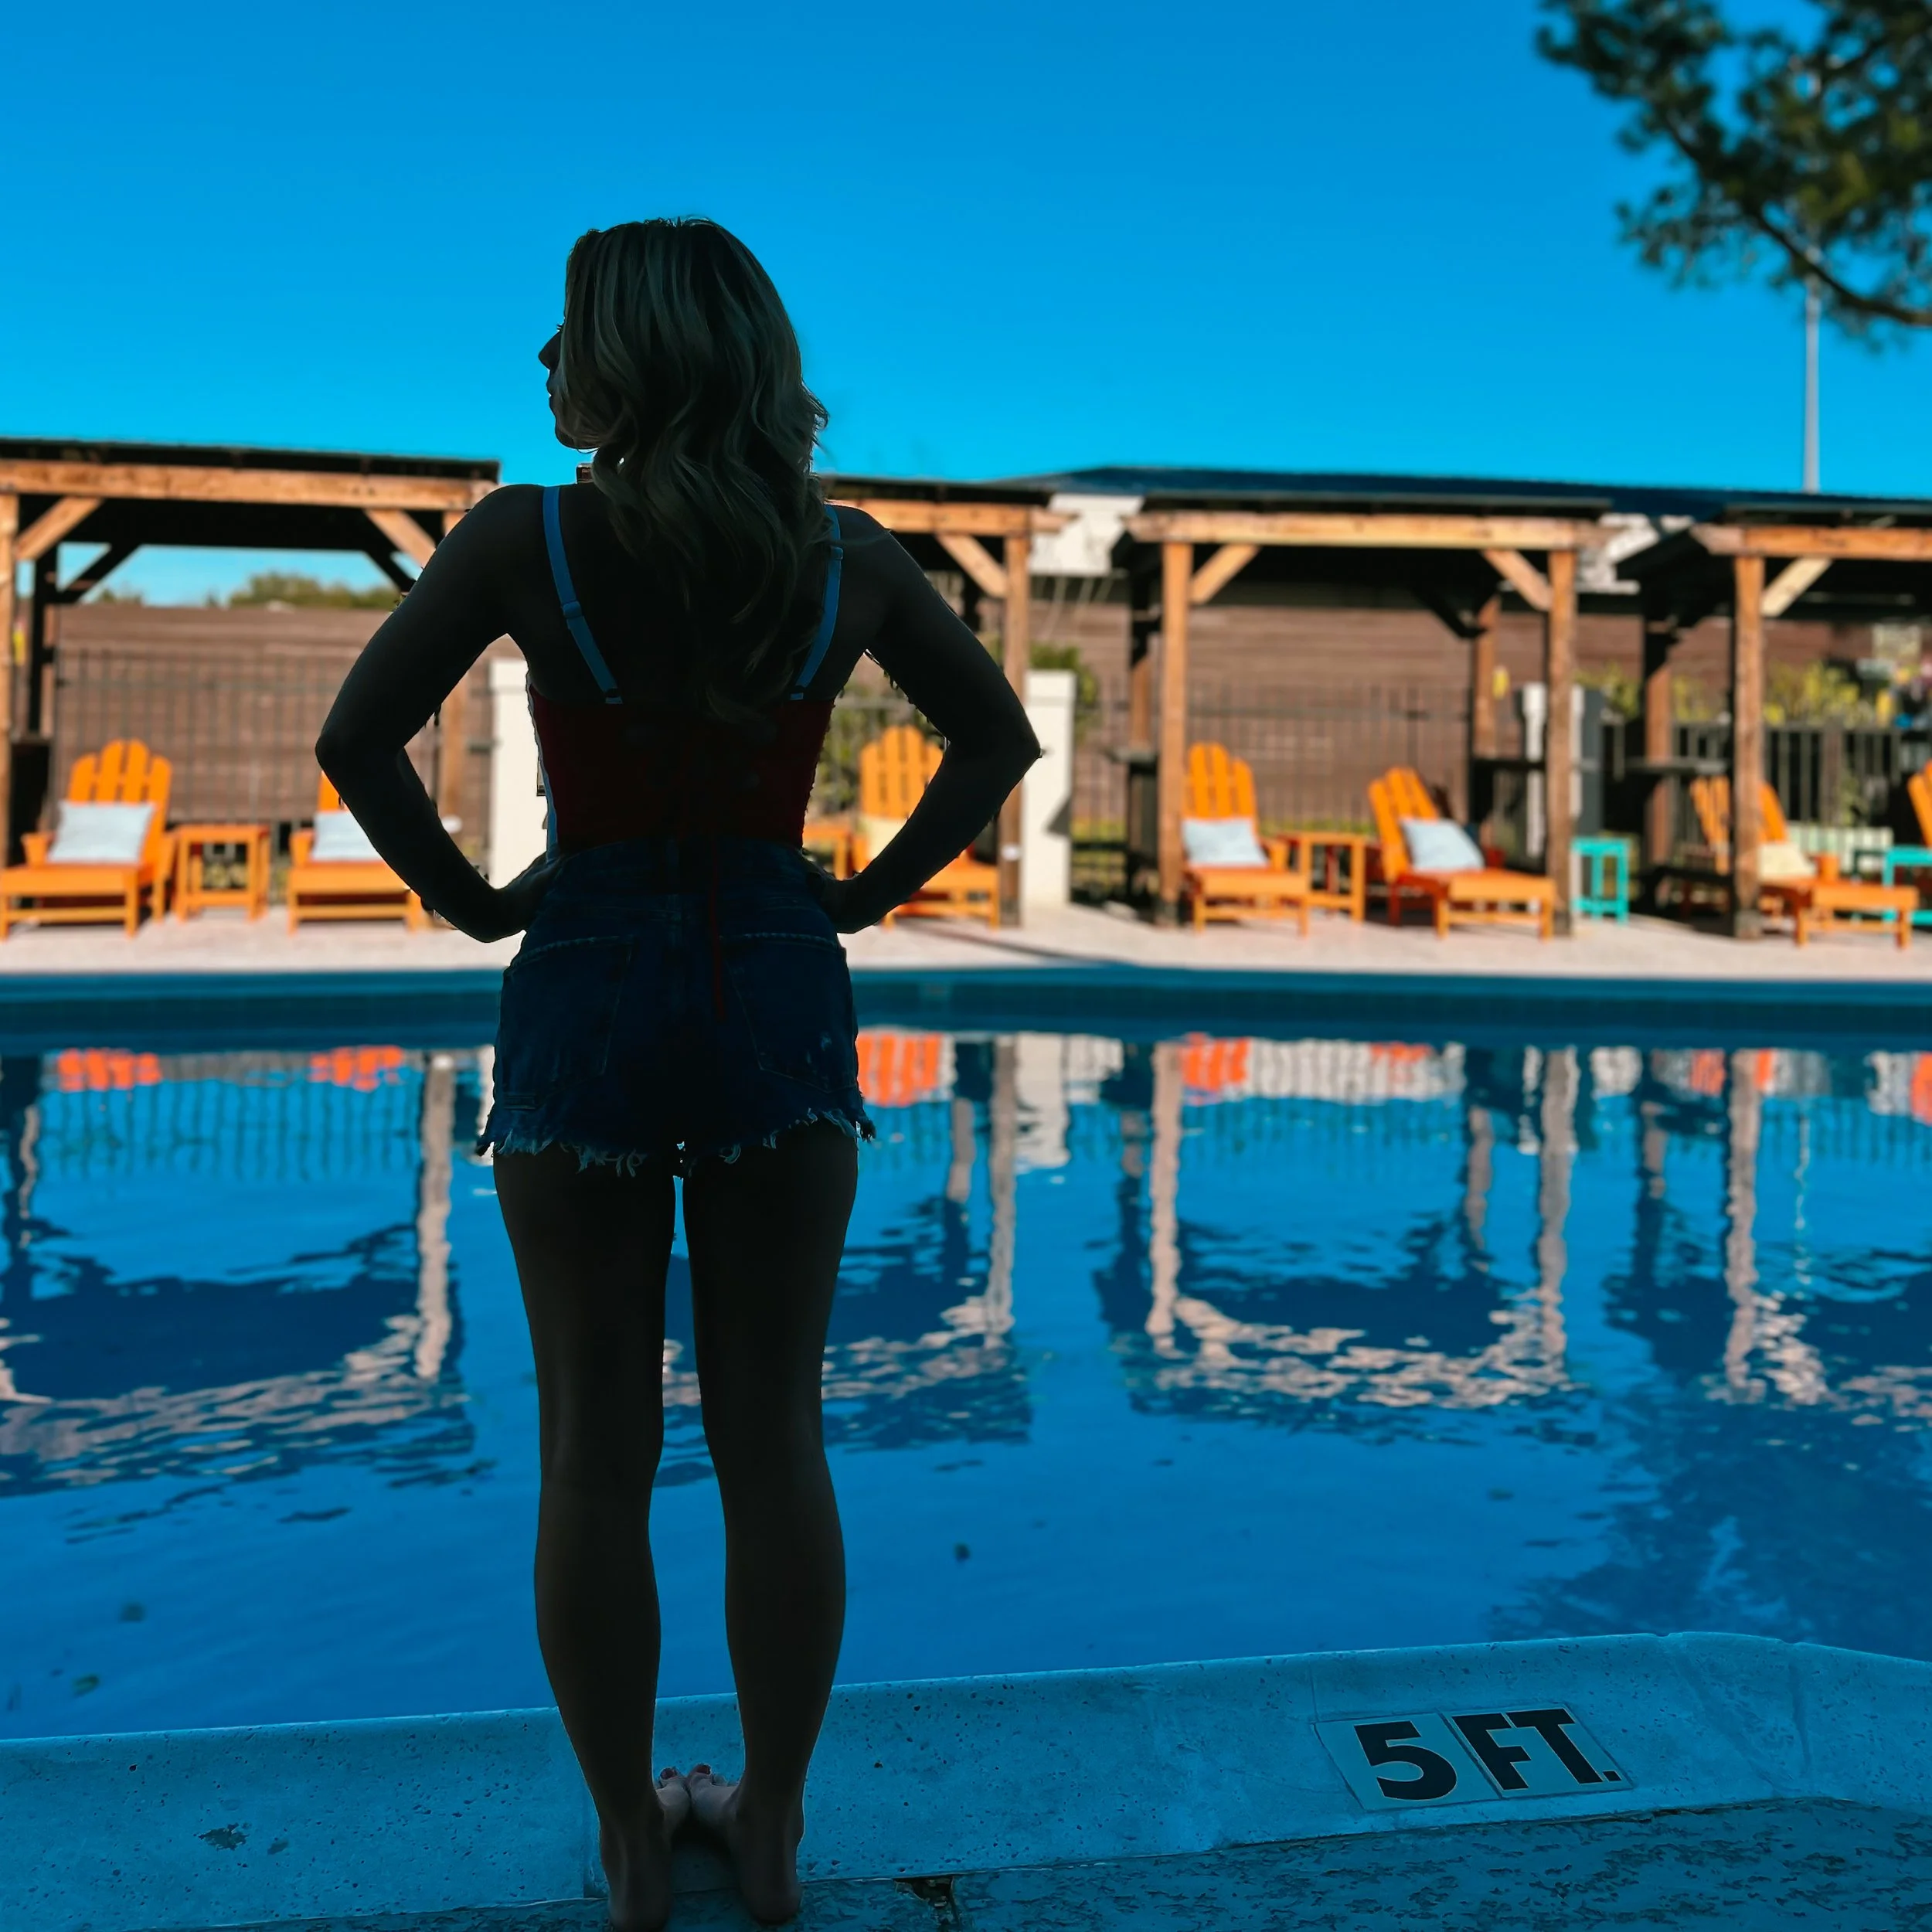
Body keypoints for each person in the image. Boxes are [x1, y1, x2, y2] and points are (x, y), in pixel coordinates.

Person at [316, 217, 1039, 1928]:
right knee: (774, 1434)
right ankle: (769, 1821)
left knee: (593, 1447)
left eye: (562, 326)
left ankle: (634, 1842)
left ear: (627, 354)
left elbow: (357, 738)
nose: (540, 357)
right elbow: (994, 738)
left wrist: (477, 898)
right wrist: (861, 889)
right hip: (775, 984)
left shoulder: (523, 542)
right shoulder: (841, 556)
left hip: (583, 987)